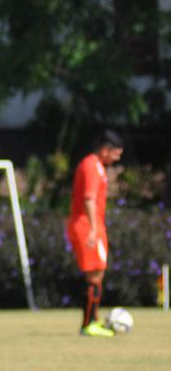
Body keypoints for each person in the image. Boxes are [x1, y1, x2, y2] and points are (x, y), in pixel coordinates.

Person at [67, 130, 124, 337]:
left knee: (98, 272)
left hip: (94, 225)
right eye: (116, 154)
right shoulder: (91, 166)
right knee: (94, 273)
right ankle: (89, 323)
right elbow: (88, 198)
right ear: (105, 150)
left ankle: (93, 321)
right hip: (87, 225)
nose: (117, 159)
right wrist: (92, 228)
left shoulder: (98, 167)